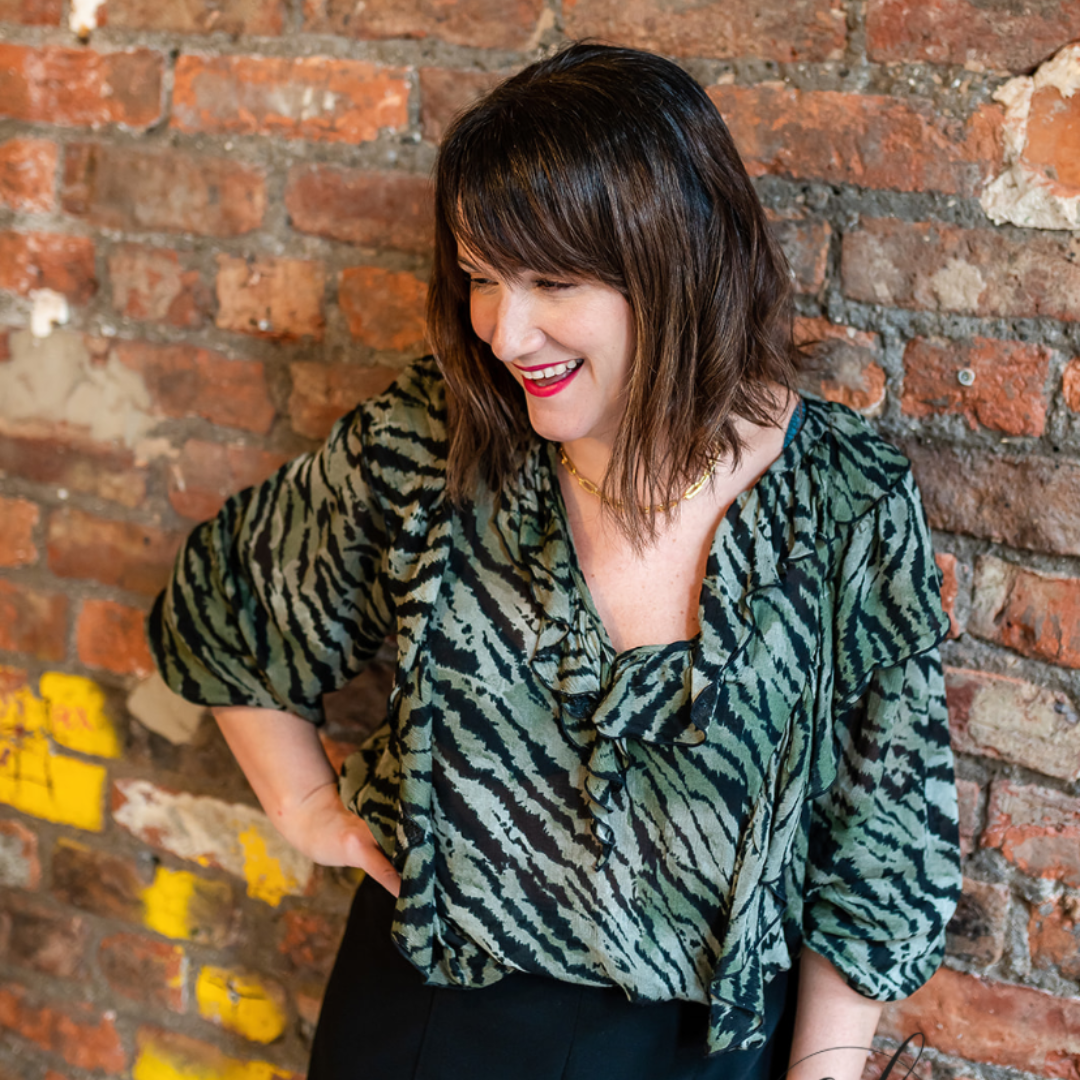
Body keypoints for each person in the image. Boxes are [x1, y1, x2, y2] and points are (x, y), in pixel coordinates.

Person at [148, 43, 961, 1080]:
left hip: (702, 1049)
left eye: (552, 280)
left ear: (675, 266)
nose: (502, 329)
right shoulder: (437, 438)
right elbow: (230, 603)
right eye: (482, 278)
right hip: (431, 1028)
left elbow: (883, 846)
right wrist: (307, 809)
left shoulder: (847, 502)